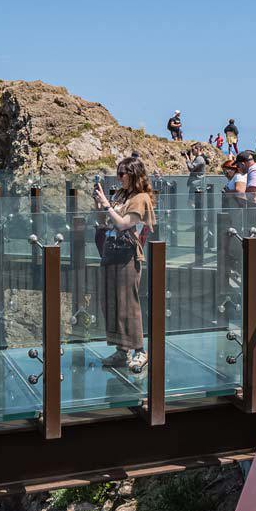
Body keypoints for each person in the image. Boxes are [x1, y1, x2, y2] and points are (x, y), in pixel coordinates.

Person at [94, 154, 156, 371]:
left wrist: (107, 206)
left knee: (128, 303)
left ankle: (140, 350)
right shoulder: (121, 194)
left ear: (133, 174)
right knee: (111, 302)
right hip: (111, 252)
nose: (119, 177)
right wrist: (100, 206)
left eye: (122, 173)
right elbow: (105, 222)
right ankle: (122, 350)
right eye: (117, 173)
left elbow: (123, 224)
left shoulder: (141, 198)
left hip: (128, 255)